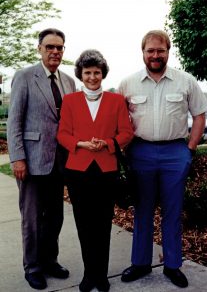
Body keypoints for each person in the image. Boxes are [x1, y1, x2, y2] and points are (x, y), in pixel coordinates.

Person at [118, 30, 207, 288]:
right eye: (150, 50)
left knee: (172, 211)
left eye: (161, 50)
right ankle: (140, 263)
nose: (155, 55)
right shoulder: (128, 83)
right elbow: (118, 117)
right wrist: (125, 148)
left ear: (168, 51)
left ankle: (172, 265)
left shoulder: (186, 81)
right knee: (143, 210)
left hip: (174, 154)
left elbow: (200, 114)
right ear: (143, 52)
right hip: (140, 153)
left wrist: (190, 148)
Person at [57, 49, 134, 292]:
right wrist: (80, 143)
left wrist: (108, 144)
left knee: (103, 224)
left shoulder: (116, 100)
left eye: (97, 72)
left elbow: (126, 132)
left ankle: (101, 275)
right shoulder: (70, 101)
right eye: (87, 72)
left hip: (106, 169)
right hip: (78, 170)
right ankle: (88, 275)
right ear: (80, 74)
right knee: (84, 224)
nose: (92, 77)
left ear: (103, 74)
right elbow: (62, 134)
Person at [7, 28, 76, 290]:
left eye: (59, 47)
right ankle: (33, 267)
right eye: (50, 47)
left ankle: (50, 261)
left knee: (55, 218)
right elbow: (14, 121)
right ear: (40, 49)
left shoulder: (68, 81)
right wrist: (18, 159)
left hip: (61, 163)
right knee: (33, 219)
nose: (55, 51)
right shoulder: (24, 77)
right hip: (32, 161)